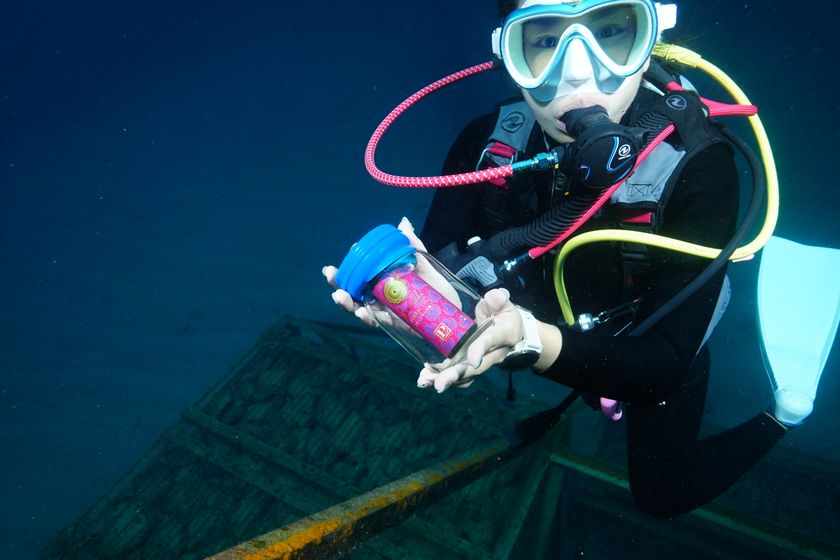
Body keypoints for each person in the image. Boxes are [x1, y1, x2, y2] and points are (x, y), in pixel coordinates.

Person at [324, 0, 792, 519]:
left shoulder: (699, 164)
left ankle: (786, 412)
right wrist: (434, 310)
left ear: (651, 38)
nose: (577, 72)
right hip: (548, 332)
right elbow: (446, 269)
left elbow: (663, 365)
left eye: (610, 31)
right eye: (546, 40)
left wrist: (528, 339)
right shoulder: (487, 146)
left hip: (642, 343)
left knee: (664, 493)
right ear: (509, 53)